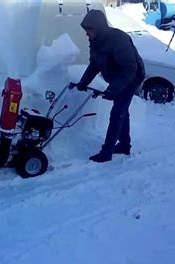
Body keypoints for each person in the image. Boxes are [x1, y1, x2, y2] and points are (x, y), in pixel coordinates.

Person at [75, 9, 145, 163]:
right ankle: (124, 145)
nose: (87, 34)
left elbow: (129, 68)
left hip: (131, 77)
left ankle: (107, 152)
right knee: (122, 111)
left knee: (117, 112)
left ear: (98, 28)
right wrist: (83, 82)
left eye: (89, 30)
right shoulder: (95, 41)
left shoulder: (118, 39)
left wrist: (113, 89)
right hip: (117, 77)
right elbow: (95, 64)